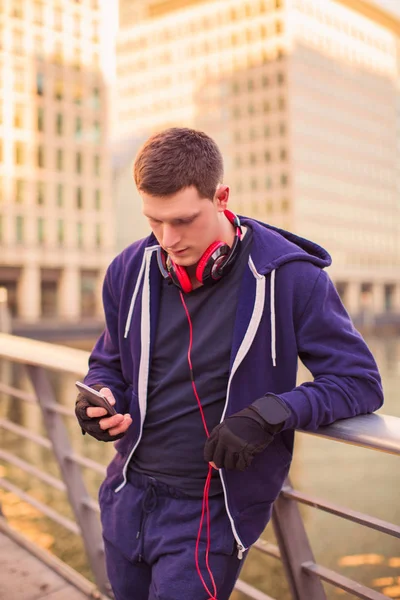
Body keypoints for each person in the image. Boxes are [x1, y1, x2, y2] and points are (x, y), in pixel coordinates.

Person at [75, 127, 383, 600]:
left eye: (183, 220)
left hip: (209, 512)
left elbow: (359, 382)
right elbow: (108, 362)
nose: (168, 239)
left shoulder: (292, 278)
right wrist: (100, 399)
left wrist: (271, 414)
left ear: (222, 197)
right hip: (126, 496)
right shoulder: (128, 269)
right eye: (154, 221)